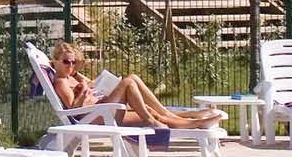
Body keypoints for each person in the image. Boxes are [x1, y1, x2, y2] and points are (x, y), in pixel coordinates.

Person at [44, 40, 221, 129]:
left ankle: (191, 121)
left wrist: (95, 84)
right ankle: (155, 121)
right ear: (56, 62)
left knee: (144, 100)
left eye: (74, 62)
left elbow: (92, 84)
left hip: (102, 109)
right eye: (66, 62)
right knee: (129, 82)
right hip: (95, 117)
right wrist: (83, 92)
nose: (71, 66)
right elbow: (73, 107)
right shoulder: (61, 82)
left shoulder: (72, 76)